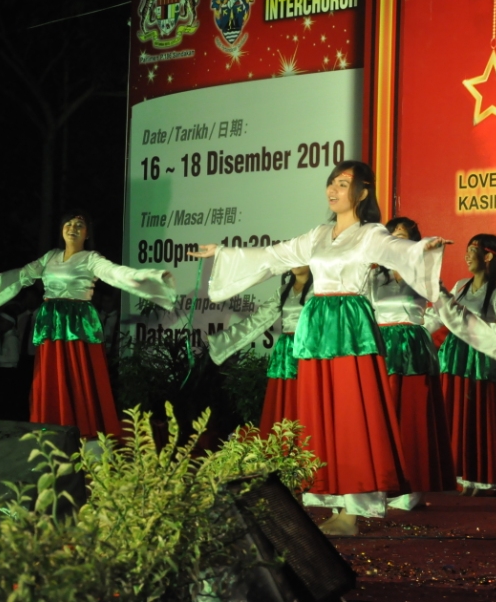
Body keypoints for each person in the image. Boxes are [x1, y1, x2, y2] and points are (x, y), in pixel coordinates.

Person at [190, 161, 445, 536]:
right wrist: (224, 252)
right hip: (318, 325)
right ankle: (335, 502)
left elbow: (397, 249)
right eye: (331, 183)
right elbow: (274, 256)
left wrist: (425, 248)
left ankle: (353, 509)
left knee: (352, 413)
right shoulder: (318, 235)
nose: (333, 189)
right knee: (322, 413)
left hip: (349, 325)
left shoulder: (370, 233)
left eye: (342, 183)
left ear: (362, 192)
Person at [0, 210, 177, 438]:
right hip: (52, 320)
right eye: (68, 224)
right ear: (61, 230)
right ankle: (51, 428)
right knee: (52, 375)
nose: (72, 228)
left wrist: (149, 277)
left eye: (79, 225)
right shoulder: (50, 257)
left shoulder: (91, 258)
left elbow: (115, 273)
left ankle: (84, 430)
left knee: (77, 374)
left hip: (77, 321)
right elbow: (23, 274)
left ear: (87, 234)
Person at [372, 217, 457, 506]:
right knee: (382, 418)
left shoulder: (423, 274)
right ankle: (383, 483)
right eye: (393, 236)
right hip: (382, 350)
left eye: (404, 237)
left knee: (413, 418)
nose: (398, 241)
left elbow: (445, 310)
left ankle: (413, 487)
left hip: (413, 352)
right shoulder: (373, 276)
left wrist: (416, 329)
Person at [438, 233, 496, 495]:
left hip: (481, 360)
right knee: (457, 414)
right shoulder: (460, 286)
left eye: (471, 251)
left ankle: (483, 479)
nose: (466, 256)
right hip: (456, 358)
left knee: (480, 416)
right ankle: (459, 475)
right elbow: (441, 314)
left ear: (488, 257)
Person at [208, 266, 312, 434]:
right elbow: (257, 320)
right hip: (286, 354)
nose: (295, 264)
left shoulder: (320, 289)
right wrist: (223, 339)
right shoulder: (284, 290)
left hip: (310, 352)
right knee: (287, 402)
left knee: (308, 399)